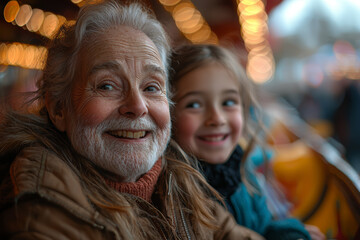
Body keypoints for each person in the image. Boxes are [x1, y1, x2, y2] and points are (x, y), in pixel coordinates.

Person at [0, 1, 264, 239]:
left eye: (151, 87)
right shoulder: (42, 210)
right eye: (107, 86)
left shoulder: (178, 180)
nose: (137, 107)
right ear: (59, 108)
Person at [169, 43, 326, 240]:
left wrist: (291, 232)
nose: (217, 118)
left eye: (228, 102)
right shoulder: (174, 190)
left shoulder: (241, 170)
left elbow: (261, 228)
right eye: (194, 104)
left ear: (243, 109)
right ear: (168, 113)